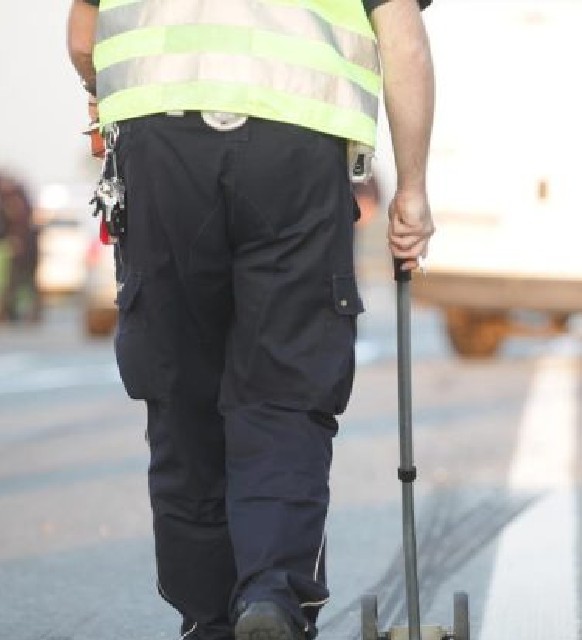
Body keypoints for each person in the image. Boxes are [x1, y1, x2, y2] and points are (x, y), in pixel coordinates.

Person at [66, 1, 435, 639]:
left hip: (159, 142)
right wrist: (413, 189)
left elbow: (81, 35)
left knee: (181, 392)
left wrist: (103, 95)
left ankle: (207, 617)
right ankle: (271, 593)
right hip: (295, 142)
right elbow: (404, 41)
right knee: (284, 388)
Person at [0, 175, 42, 324]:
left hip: (24, 248)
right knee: (15, 283)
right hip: (20, 247)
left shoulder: (16, 202)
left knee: (23, 282)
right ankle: (12, 313)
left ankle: (30, 313)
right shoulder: (16, 200)